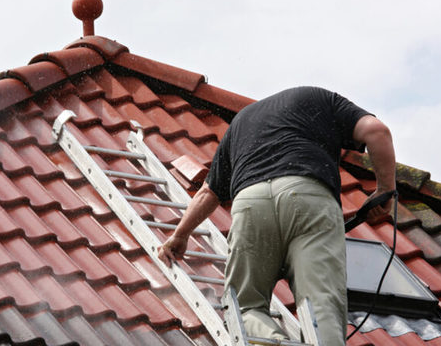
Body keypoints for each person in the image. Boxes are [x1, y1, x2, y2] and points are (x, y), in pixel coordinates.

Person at [157, 86, 396, 346]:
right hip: (308, 196)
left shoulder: (241, 121)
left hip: (250, 203)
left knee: (245, 307)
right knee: (322, 303)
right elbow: (377, 131)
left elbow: (208, 191)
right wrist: (385, 189)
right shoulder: (320, 98)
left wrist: (179, 235)